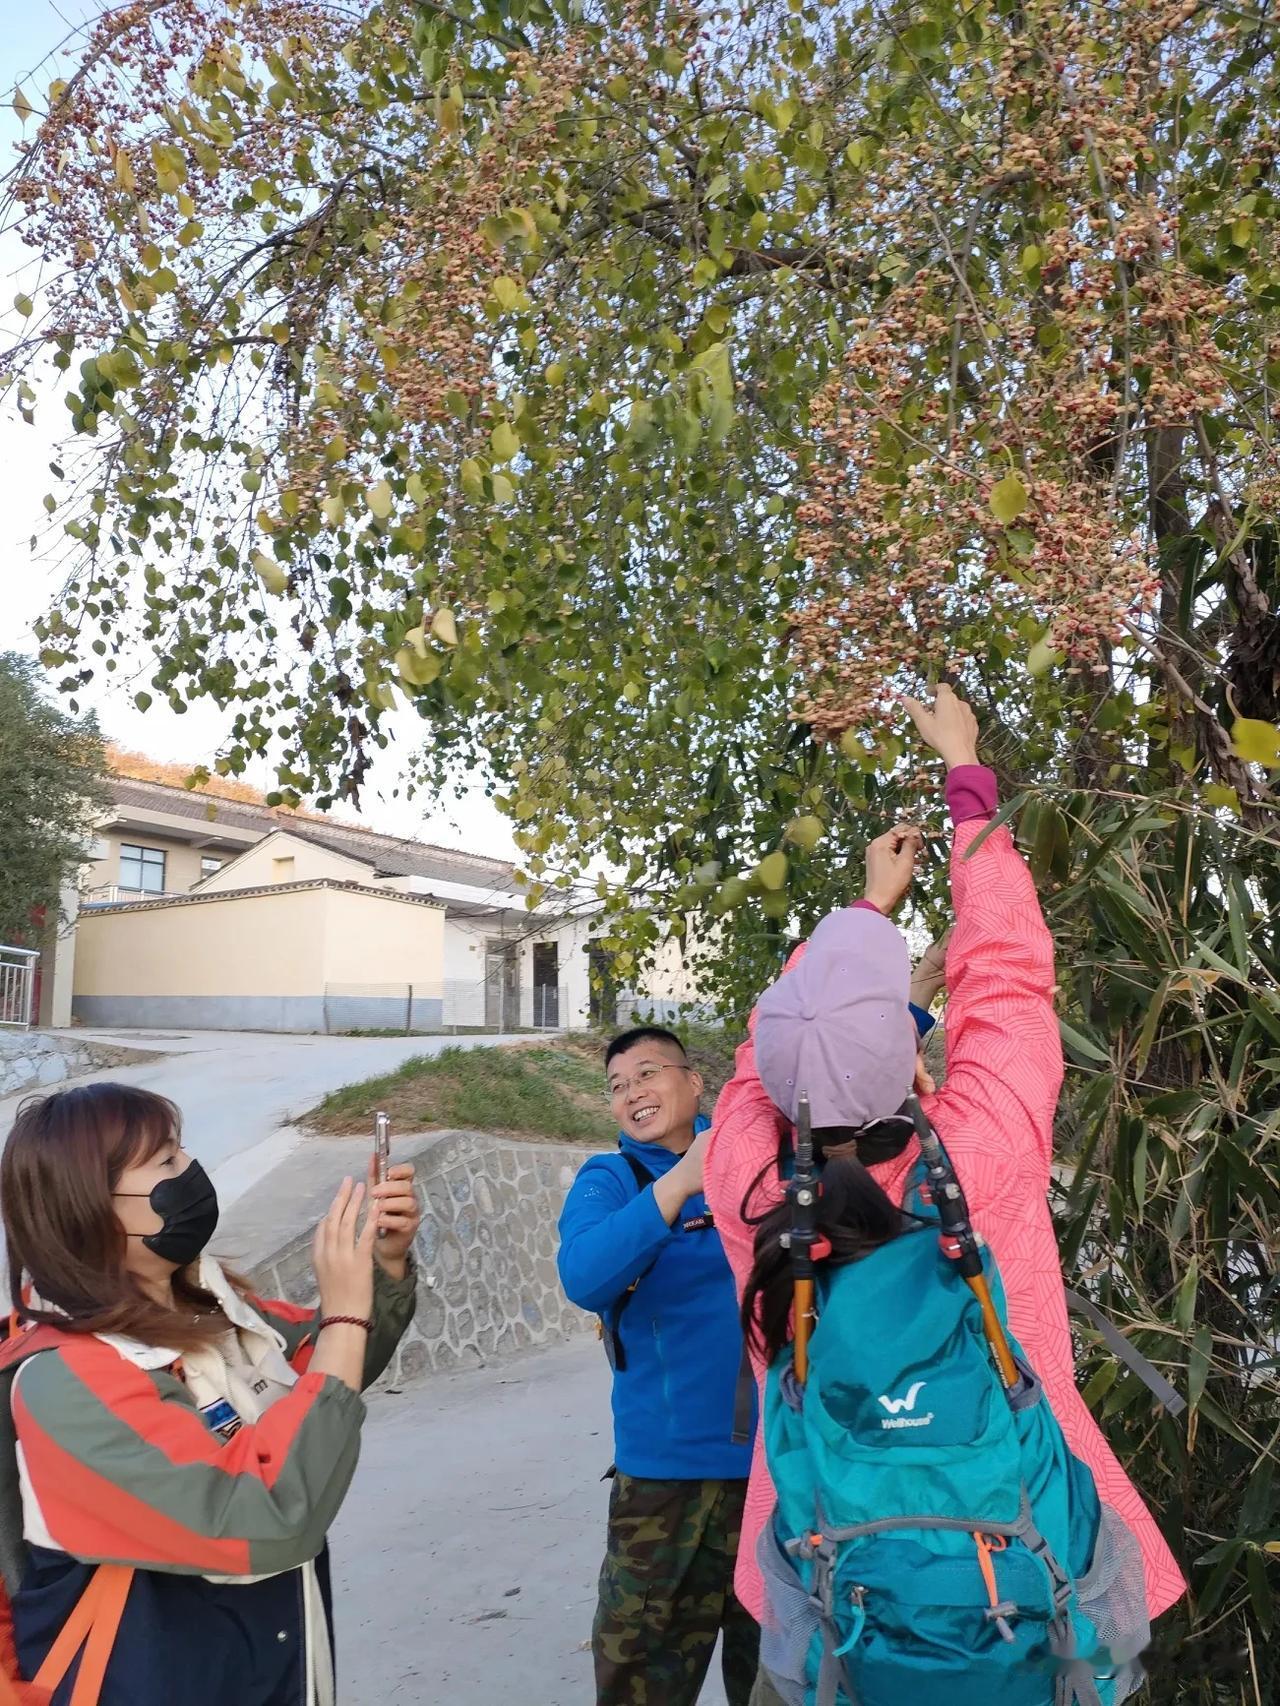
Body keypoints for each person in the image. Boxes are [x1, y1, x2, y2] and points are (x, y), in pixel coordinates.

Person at [702, 685, 1186, 1705]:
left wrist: (857, 917)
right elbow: (1006, 974)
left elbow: (767, 1057)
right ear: (909, 1047)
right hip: (1024, 1570)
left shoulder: (745, 1178)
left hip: (833, 1586)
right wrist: (967, 782)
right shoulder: (980, 1151)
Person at [0, 1081, 420, 1706]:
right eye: (167, 1161)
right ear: (91, 1206)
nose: (192, 1172)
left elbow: (317, 1378)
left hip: (275, 1669)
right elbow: (266, 1516)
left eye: (183, 1152)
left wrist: (383, 1268)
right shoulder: (65, 1380)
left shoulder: (212, 1308)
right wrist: (345, 1316)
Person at [557, 1026, 760, 1706]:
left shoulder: (756, 1155)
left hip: (775, 1477)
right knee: (639, 1682)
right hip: (663, 1486)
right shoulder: (611, 1178)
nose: (633, 1093)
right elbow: (584, 1275)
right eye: (617, 1086)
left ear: (693, 1081)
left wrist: (918, 996)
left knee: (779, 1683)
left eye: (648, 1074)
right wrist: (680, 1182)